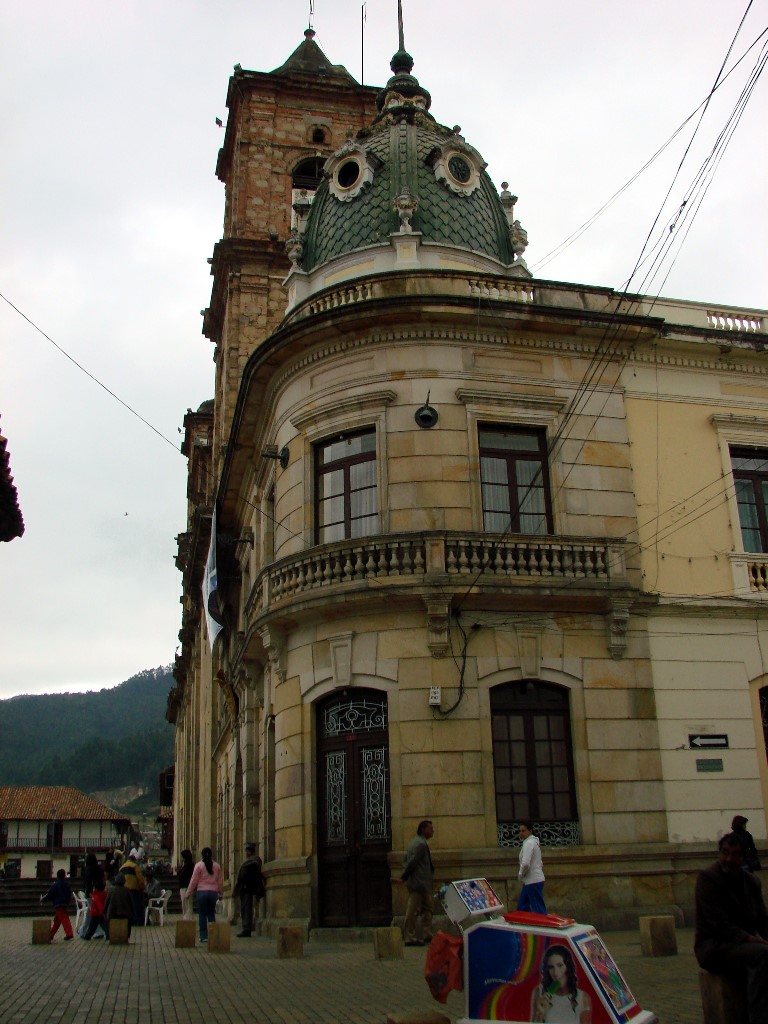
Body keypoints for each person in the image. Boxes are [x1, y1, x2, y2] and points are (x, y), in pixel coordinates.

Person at [695, 832, 768, 1023]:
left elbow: (762, 920)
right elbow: (718, 924)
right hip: (714, 947)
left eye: (735, 854)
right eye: (725, 853)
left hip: (741, 946)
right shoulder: (708, 879)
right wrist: (751, 939)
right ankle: (758, 1018)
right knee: (761, 954)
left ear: (744, 858)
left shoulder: (751, 882)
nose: (729, 859)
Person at [531, 943, 592, 1022]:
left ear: (568, 967)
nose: (555, 973)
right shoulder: (539, 993)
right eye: (551, 967)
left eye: (560, 965)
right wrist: (540, 1013)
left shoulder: (582, 998)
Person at [400, 820, 435, 947]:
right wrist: (404, 876)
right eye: (430, 828)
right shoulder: (420, 844)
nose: (432, 831)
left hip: (423, 883)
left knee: (428, 908)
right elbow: (412, 862)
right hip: (419, 883)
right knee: (413, 910)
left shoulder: (416, 842)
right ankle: (409, 936)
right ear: (422, 830)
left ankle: (427, 933)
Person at [186, 846, 223, 943]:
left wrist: (188, 893)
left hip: (202, 892)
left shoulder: (199, 866)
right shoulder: (217, 866)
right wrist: (221, 892)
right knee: (211, 913)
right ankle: (213, 934)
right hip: (213, 893)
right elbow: (220, 881)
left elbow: (194, 880)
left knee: (202, 914)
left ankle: (203, 936)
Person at [234, 842, 265, 937]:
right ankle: (246, 928)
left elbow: (253, 876)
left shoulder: (253, 862)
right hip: (244, 887)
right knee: (244, 908)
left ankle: (247, 929)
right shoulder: (250, 861)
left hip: (247, 887)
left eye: (247, 850)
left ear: (250, 851)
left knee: (246, 908)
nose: (246, 852)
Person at [517, 820, 547, 914]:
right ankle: (526, 925)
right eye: (520, 831)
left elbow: (526, 863)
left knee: (538, 909)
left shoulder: (529, 843)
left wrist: (520, 874)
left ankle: (543, 926)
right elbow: (540, 862)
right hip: (530, 880)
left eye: (523, 830)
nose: (521, 833)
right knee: (522, 906)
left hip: (533, 880)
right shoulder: (532, 843)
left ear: (530, 831)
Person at [40, 868, 74, 942]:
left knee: (64, 918)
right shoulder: (66, 884)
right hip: (65, 903)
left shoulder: (55, 885)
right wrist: (67, 902)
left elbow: (50, 894)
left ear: (57, 876)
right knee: (57, 920)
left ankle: (69, 933)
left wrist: (44, 899)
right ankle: (51, 935)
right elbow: (69, 894)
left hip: (58, 904)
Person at [105, 872, 135, 938]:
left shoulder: (111, 890)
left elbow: (106, 903)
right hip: (125, 914)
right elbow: (132, 904)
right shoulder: (127, 891)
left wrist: (105, 913)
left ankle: (109, 935)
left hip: (112, 914)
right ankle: (127, 935)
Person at [121, 851, 146, 926]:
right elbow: (140, 879)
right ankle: (139, 921)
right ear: (134, 860)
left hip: (124, 890)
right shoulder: (135, 866)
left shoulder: (122, 867)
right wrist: (142, 888)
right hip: (134, 889)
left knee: (127, 906)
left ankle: (129, 921)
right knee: (137, 906)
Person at [177, 848, 195, 920]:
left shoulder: (189, 865)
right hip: (185, 886)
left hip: (186, 886)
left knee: (187, 904)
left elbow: (182, 875)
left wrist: (179, 871)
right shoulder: (187, 865)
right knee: (185, 904)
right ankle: (186, 917)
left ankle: (188, 918)